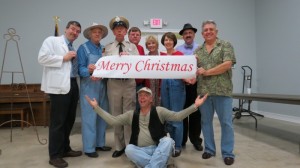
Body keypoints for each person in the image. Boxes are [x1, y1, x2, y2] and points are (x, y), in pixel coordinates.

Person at [85, 87, 208, 168]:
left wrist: (195, 106)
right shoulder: (131, 114)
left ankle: (151, 165)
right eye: (140, 96)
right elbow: (113, 121)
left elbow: (177, 116)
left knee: (168, 141)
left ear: (151, 99)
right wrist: (96, 108)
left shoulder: (159, 111)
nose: (142, 97)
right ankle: (161, 164)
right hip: (141, 151)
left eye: (145, 95)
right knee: (129, 149)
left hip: (158, 148)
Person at [38, 21, 82, 168]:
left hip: (72, 85)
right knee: (58, 122)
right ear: (66, 29)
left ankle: (65, 148)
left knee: (69, 120)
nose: (74, 33)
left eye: (77, 32)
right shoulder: (52, 40)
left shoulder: (72, 47)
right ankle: (55, 155)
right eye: (72, 29)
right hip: (58, 88)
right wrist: (63, 58)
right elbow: (42, 58)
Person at [195, 20, 236, 165]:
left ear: (216, 31)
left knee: (226, 123)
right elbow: (194, 70)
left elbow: (227, 64)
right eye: (205, 30)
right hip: (204, 92)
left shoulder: (225, 45)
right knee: (206, 122)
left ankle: (227, 153)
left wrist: (207, 72)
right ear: (202, 33)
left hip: (222, 90)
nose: (208, 32)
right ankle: (209, 150)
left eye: (211, 29)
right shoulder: (198, 51)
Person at [104, 16, 139, 158]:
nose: (119, 31)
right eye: (117, 29)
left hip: (129, 83)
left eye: (122, 29)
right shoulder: (107, 48)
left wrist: (129, 57)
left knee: (129, 115)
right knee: (116, 116)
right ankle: (119, 146)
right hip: (114, 84)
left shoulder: (133, 47)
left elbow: (138, 64)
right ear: (113, 32)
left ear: (126, 31)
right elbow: (104, 66)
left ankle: (129, 146)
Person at [77, 23, 112, 158]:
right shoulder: (83, 48)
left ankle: (100, 143)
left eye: (100, 32)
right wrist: (89, 70)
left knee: (102, 115)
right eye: (95, 32)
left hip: (103, 85)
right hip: (89, 86)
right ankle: (89, 148)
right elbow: (79, 69)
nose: (97, 34)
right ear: (90, 34)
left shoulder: (104, 49)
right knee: (89, 117)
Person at [176, 23, 203, 151]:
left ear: (194, 34)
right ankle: (182, 140)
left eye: (190, 33)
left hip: (196, 85)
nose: (188, 35)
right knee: (182, 113)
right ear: (182, 36)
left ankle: (196, 140)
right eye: (185, 33)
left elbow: (204, 66)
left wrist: (195, 78)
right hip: (182, 85)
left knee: (195, 113)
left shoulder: (200, 48)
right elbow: (176, 68)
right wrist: (184, 78)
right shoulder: (178, 50)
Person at [160, 32, 186, 157]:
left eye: (170, 40)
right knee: (168, 118)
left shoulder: (180, 55)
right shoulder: (161, 56)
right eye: (165, 40)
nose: (168, 42)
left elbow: (186, 71)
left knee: (177, 116)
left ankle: (178, 146)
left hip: (177, 85)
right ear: (163, 42)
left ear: (174, 41)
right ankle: (171, 143)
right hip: (164, 86)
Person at [128, 26, 148, 109]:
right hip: (129, 84)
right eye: (133, 34)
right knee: (130, 106)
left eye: (137, 35)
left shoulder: (141, 48)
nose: (135, 36)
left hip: (140, 84)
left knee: (140, 107)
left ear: (140, 37)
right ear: (128, 36)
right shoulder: (125, 47)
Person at [144, 35, 161, 106]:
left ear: (157, 44)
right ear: (147, 46)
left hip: (160, 89)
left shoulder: (163, 56)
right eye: (149, 43)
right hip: (148, 87)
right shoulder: (144, 58)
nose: (151, 45)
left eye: (153, 43)